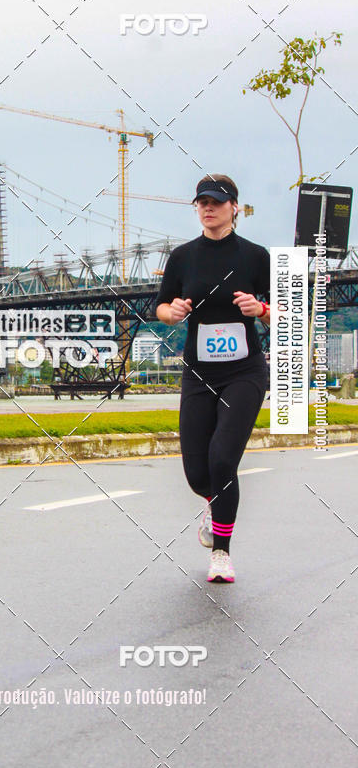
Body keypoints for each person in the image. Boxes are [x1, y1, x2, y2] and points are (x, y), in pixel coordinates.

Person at [155, 174, 270, 583]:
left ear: (234, 207)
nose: (208, 208)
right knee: (197, 473)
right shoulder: (183, 257)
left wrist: (260, 310)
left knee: (223, 458)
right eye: (202, 202)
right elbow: (161, 307)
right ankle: (214, 503)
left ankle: (221, 552)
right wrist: (174, 313)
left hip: (244, 371)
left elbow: (281, 312)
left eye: (217, 202)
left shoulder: (256, 256)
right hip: (199, 373)